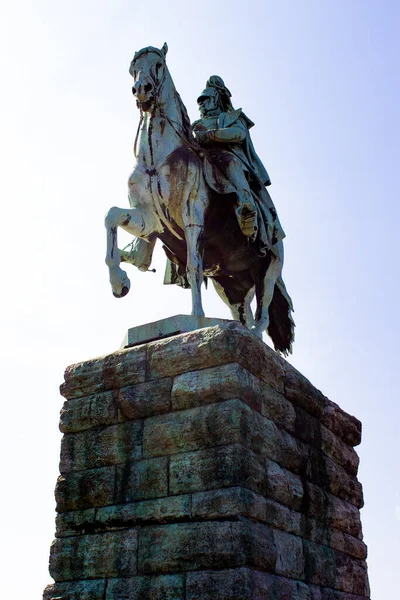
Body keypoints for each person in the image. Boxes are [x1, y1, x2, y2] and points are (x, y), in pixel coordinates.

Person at [193, 76, 285, 253]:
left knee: (231, 163)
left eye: (206, 100)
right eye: (200, 102)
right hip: (202, 159)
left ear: (217, 100)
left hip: (226, 156)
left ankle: (246, 206)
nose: (202, 105)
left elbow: (239, 134)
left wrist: (211, 135)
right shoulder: (197, 124)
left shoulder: (233, 117)